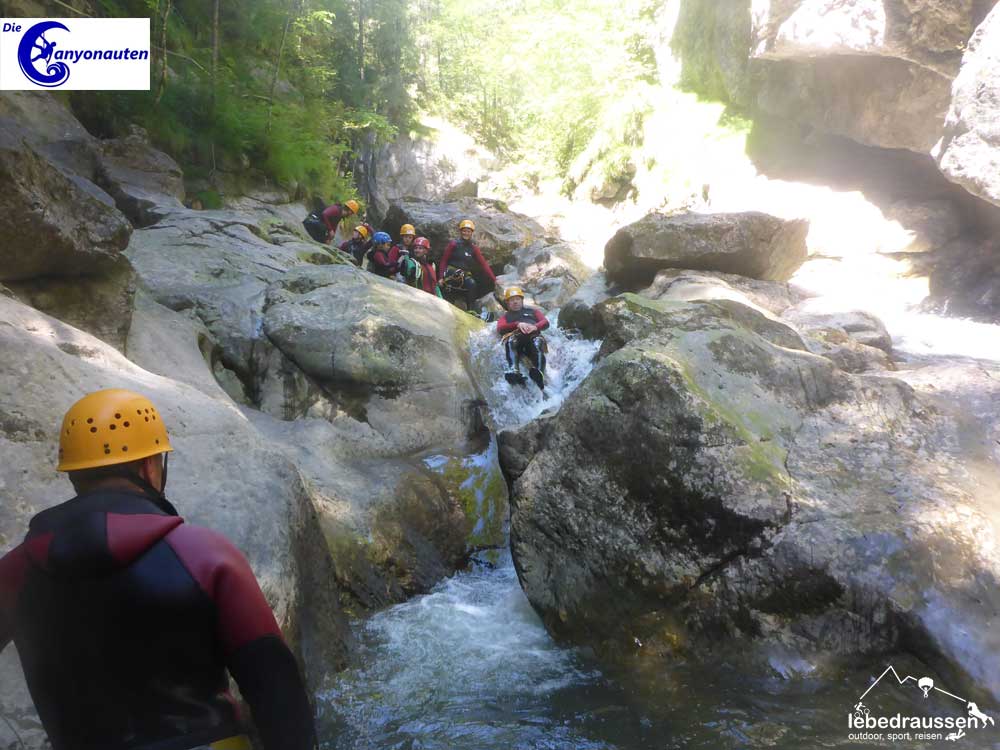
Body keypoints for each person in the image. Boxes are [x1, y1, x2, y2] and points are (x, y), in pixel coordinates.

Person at [0, 389, 316, 750]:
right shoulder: (204, 555)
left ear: (74, 475)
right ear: (150, 466)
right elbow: (278, 691)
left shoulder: (16, 570)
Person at [438, 219, 497, 312]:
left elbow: (484, 264)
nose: (466, 233)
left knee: (472, 285)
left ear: (471, 233)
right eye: (464, 231)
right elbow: (444, 260)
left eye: (468, 231)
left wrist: (494, 279)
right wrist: (441, 277)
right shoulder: (453, 244)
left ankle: (471, 310)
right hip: (451, 272)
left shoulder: (473, 248)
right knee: (450, 286)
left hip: (464, 275)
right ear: (461, 232)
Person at [496, 286, 549, 390]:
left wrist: (535, 327)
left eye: (517, 299)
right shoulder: (505, 317)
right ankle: (514, 370)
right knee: (511, 341)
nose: (515, 302)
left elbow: (545, 322)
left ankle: (539, 373)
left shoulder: (533, 312)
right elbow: (500, 328)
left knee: (537, 343)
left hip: (534, 336)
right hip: (517, 338)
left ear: (522, 300)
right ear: (507, 303)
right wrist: (517, 324)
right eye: (512, 300)